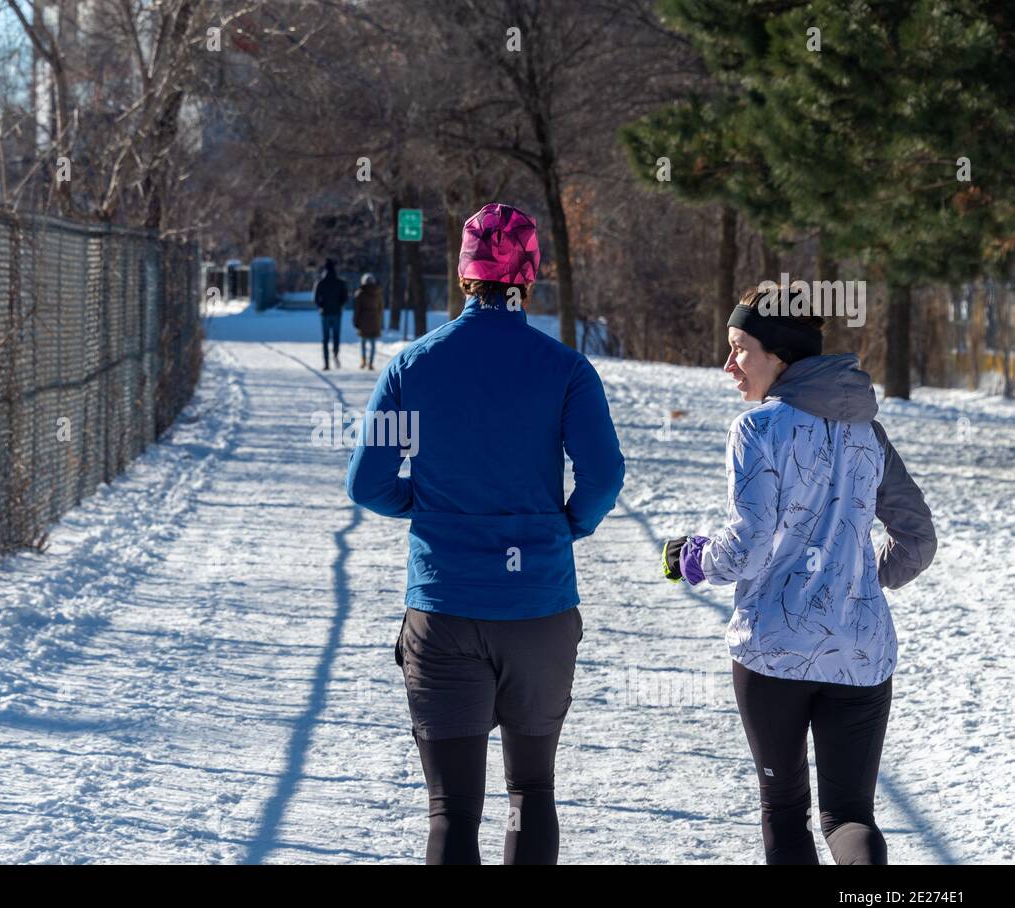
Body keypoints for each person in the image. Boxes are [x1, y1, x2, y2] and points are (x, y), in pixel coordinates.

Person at [345, 203, 625, 864]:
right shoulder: (567, 370)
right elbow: (604, 474)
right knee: (531, 790)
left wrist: (427, 502)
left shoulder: (412, 367)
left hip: (443, 611)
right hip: (539, 608)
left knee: (451, 813)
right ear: (528, 277)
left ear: (465, 276)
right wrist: (567, 525)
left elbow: (366, 482)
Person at [661, 282, 936, 865]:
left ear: (779, 355)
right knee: (850, 816)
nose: (728, 365)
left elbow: (747, 546)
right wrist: (855, 582)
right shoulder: (867, 430)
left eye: (740, 348)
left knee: (785, 811)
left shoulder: (757, 430)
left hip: (774, 652)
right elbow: (917, 540)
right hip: (860, 652)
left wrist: (691, 558)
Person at [313, 258, 349, 370]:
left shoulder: (320, 283)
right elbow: (345, 297)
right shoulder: (340, 282)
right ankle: (335, 353)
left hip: (325, 313)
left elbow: (315, 298)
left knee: (325, 338)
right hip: (337, 313)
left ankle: (326, 362)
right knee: (336, 336)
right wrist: (339, 304)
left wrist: (321, 306)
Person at [353, 273, 384, 370]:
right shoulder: (378, 293)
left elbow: (357, 309)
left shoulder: (360, 293)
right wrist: (380, 321)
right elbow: (380, 308)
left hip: (363, 319)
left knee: (363, 342)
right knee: (373, 343)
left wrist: (355, 320)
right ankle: (371, 362)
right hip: (374, 319)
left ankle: (363, 360)